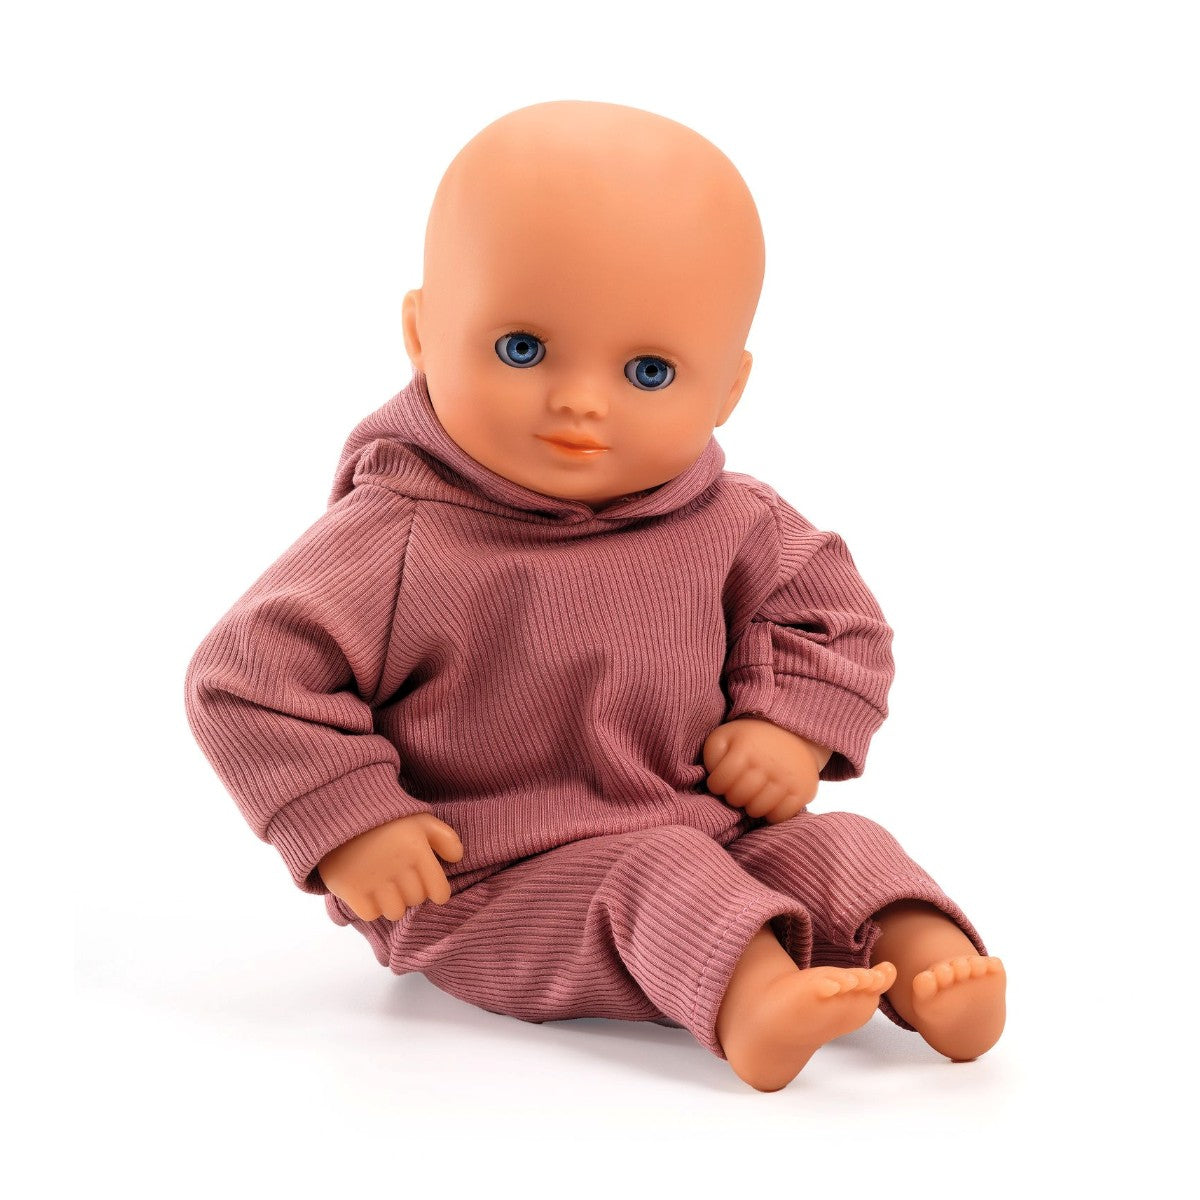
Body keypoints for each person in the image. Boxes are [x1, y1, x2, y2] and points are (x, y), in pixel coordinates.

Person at [185, 101, 1005, 1091]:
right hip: (484, 882)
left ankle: (927, 966)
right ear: (421, 331)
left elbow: (835, 621)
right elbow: (247, 678)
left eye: (649, 371)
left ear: (727, 390)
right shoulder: (399, 534)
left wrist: (789, 727)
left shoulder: (736, 522)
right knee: (659, 875)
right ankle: (751, 1001)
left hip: (707, 831)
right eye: (522, 349)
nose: (581, 401)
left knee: (841, 847)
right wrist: (355, 821)